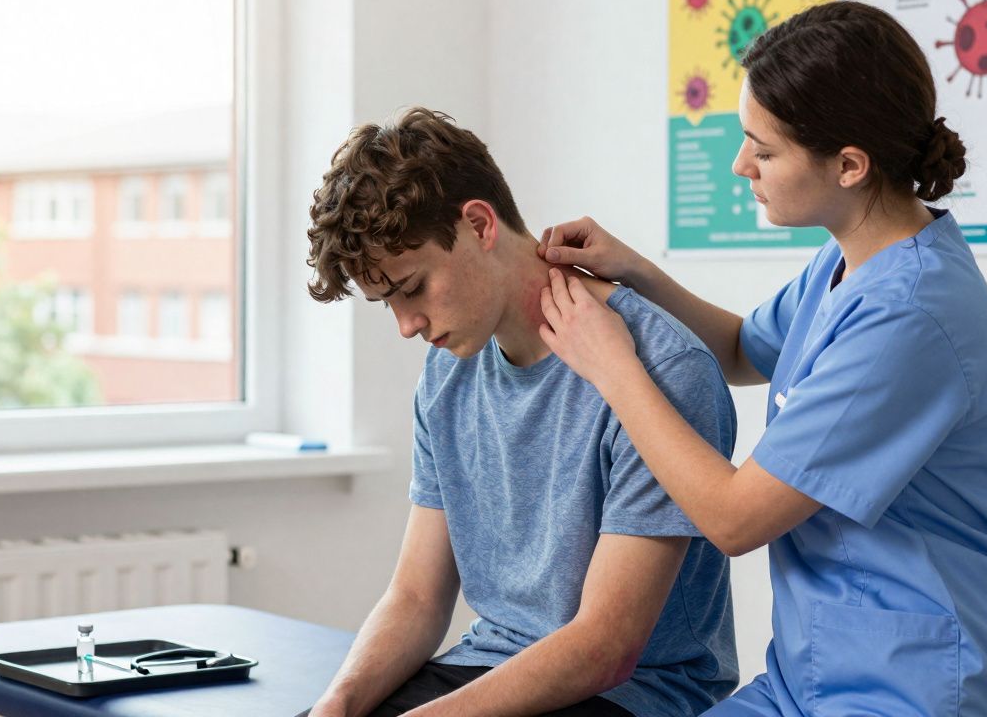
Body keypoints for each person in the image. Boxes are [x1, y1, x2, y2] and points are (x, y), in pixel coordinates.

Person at [536, 0, 987, 717]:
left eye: (764, 149)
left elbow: (734, 520)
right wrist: (638, 273)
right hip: (813, 672)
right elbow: (747, 349)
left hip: (920, 683)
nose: (741, 163)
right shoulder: (848, 262)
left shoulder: (909, 314)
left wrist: (612, 366)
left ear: (848, 165)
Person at [299, 108, 738, 716]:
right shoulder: (447, 369)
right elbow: (418, 597)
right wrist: (338, 704)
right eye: (386, 305)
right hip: (487, 668)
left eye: (412, 288)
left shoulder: (661, 368)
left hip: (632, 694)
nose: (407, 327)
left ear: (478, 224)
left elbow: (605, 648)